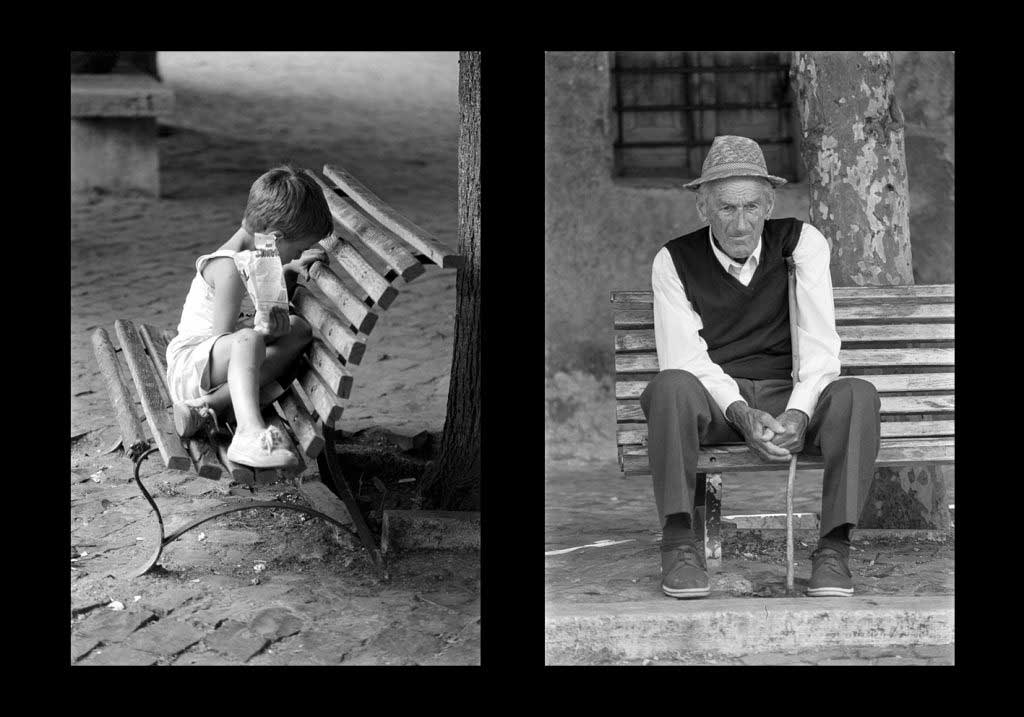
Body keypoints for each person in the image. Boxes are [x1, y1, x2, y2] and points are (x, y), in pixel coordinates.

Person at [643, 135, 881, 599]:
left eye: (752, 207)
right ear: (703, 209)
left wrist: (799, 413)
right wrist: (739, 412)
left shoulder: (802, 243)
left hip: (785, 396)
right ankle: (678, 544)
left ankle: (834, 549)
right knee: (670, 385)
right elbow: (684, 357)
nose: (740, 223)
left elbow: (819, 342)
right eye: (727, 208)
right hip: (714, 406)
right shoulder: (673, 260)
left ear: (769, 203)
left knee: (858, 394)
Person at [165, 165, 331, 468]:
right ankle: (248, 435)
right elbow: (224, 339)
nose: (298, 254)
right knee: (251, 339)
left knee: (298, 330)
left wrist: (288, 274)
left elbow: (259, 308)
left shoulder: (261, 253)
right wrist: (264, 335)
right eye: (299, 248)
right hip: (192, 367)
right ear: (277, 238)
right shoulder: (229, 269)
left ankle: (208, 410)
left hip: (220, 369)